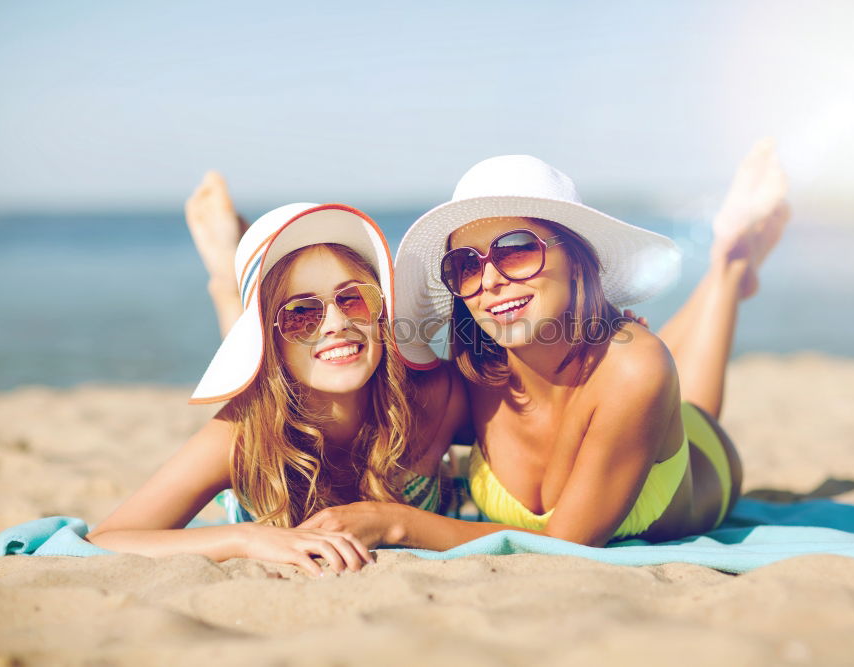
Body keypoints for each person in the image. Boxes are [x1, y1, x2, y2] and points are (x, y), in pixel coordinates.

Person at [296, 140, 790, 549]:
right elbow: (331, 408)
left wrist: (395, 522)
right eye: (465, 264)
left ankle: (728, 265)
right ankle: (729, 268)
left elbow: (565, 545)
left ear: (576, 258)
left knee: (675, 390)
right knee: (641, 356)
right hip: (621, 375)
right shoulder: (472, 381)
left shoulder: (635, 370)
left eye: (515, 251)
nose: (489, 279)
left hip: (706, 464)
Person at [86, 202, 469, 575]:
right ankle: (226, 283)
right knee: (258, 389)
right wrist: (245, 539)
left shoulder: (434, 395)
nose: (335, 323)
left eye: (353, 299)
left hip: (292, 371)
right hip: (270, 399)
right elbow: (108, 539)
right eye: (300, 313)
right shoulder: (240, 433)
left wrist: (397, 520)